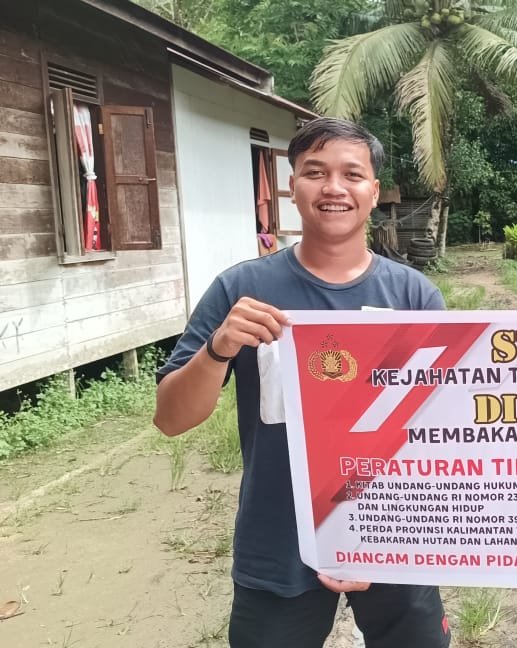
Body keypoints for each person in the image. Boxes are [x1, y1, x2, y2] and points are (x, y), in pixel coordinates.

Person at [153, 118, 451, 648]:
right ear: (292, 187)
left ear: (373, 191)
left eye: (351, 174)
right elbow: (171, 419)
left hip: (393, 529)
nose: (333, 187)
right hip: (278, 540)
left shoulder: (414, 296)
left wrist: (381, 544)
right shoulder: (241, 289)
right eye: (315, 172)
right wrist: (219, 348)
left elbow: (444, 431)